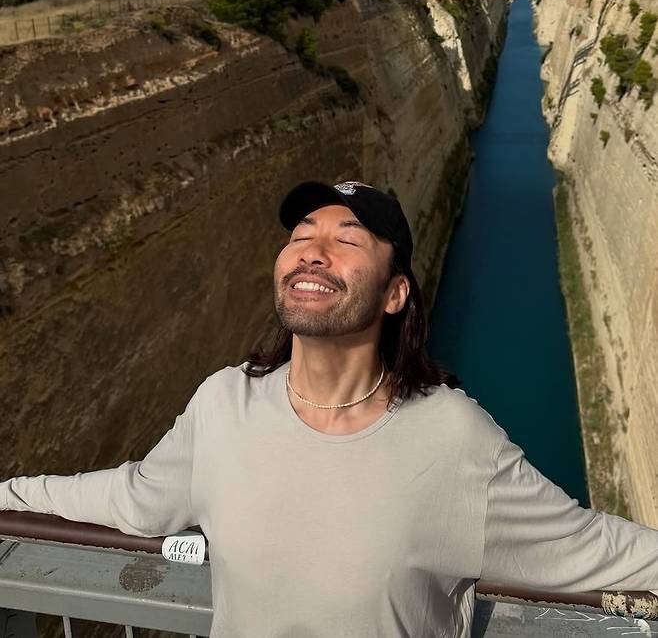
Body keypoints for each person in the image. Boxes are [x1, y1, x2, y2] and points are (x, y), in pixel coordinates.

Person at [2, 179, 658, 638]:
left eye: (348, 237)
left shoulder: (454, 438)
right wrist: (9, 493)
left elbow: (597, 550)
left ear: (395, 292)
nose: (313, 247)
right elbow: (128, 496)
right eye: (302, 232)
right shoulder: (223, 403)